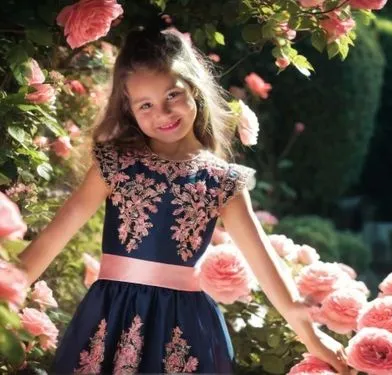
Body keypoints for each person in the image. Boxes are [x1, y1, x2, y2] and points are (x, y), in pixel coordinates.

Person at [18, 27, 348, 374]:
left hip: (185, 329)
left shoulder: (223, 181)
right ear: (129, 110)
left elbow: (263, 261)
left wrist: (312, 336)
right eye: (145, 105)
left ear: (193, 89)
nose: (162, 112)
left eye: (172, 95)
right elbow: (50, 241)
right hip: (109, 320)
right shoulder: (113, 165)